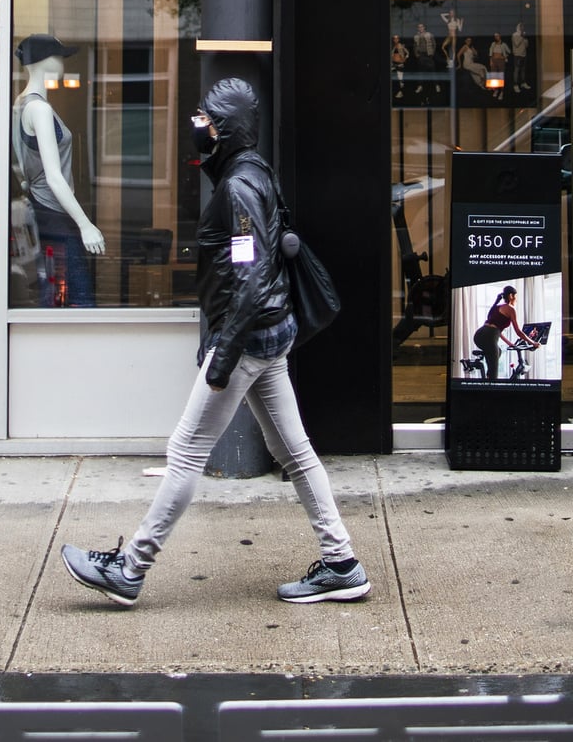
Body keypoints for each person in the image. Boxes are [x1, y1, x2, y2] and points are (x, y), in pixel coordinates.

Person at [61, 77, 370, 608]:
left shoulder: (238, 188)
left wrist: (222, 355)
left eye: (204, 120)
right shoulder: (252, 173)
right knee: (294, 452)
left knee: (185, 452)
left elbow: (249, 276)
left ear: (224, 130)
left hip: (248, 339)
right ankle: (341, 563)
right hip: (268, 336)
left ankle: (130, 568)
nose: (195, 127)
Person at [15, 34, 104, 307]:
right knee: (81, 300)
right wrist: (84, 224)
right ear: (44, 61)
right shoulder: (39, 109)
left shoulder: (21, 103)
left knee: (52, 294)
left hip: (43, 212)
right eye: (58, 56)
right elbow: (53, 176)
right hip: (55, 214)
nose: (62, 61)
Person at [470, 284, 535, 380]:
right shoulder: (510, 309)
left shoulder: (497, 306)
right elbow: (518, 332)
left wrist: (510, 343)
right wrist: (533, 343)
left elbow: (497, 331)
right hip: (489, 336)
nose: (516, 299)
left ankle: (488, 376)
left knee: (498, 352)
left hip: (479, 335)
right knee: (494, 374)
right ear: (511, 296)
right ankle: (490, 387)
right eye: (515, 296)